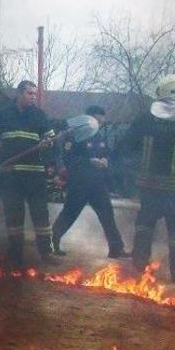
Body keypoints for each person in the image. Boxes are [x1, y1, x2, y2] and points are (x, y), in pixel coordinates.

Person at [116, 75, 175, 283]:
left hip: (149, 188)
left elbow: (124, 148)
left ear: (161, 92)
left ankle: (137, 271)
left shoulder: (145, 119)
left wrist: (131, 173)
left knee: (144, 228)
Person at [0, 81, 58, 269]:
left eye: (34, 94)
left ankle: (46, 252)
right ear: (19, 94)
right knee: (13, 216)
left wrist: (49, 144)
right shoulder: (3, 114)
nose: (33, 97)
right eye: (29, 93)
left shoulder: (40, 116)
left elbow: (53, 141)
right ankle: (15, 255)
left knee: (41, 215)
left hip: (35, 175)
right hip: (11, 175)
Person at [51, 105, 127, 258]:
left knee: (107, 213)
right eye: (98, 121)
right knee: (70, 213)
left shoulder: (100, 136)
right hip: (79, 182)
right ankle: (52, 242)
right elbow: (69, 159)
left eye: (102, 122)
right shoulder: (75, 136)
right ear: (89, 119)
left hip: (97, 183)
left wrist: (106, 159)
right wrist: (89, 161)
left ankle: (116, 248)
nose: (100, 125)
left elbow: (107, 153)